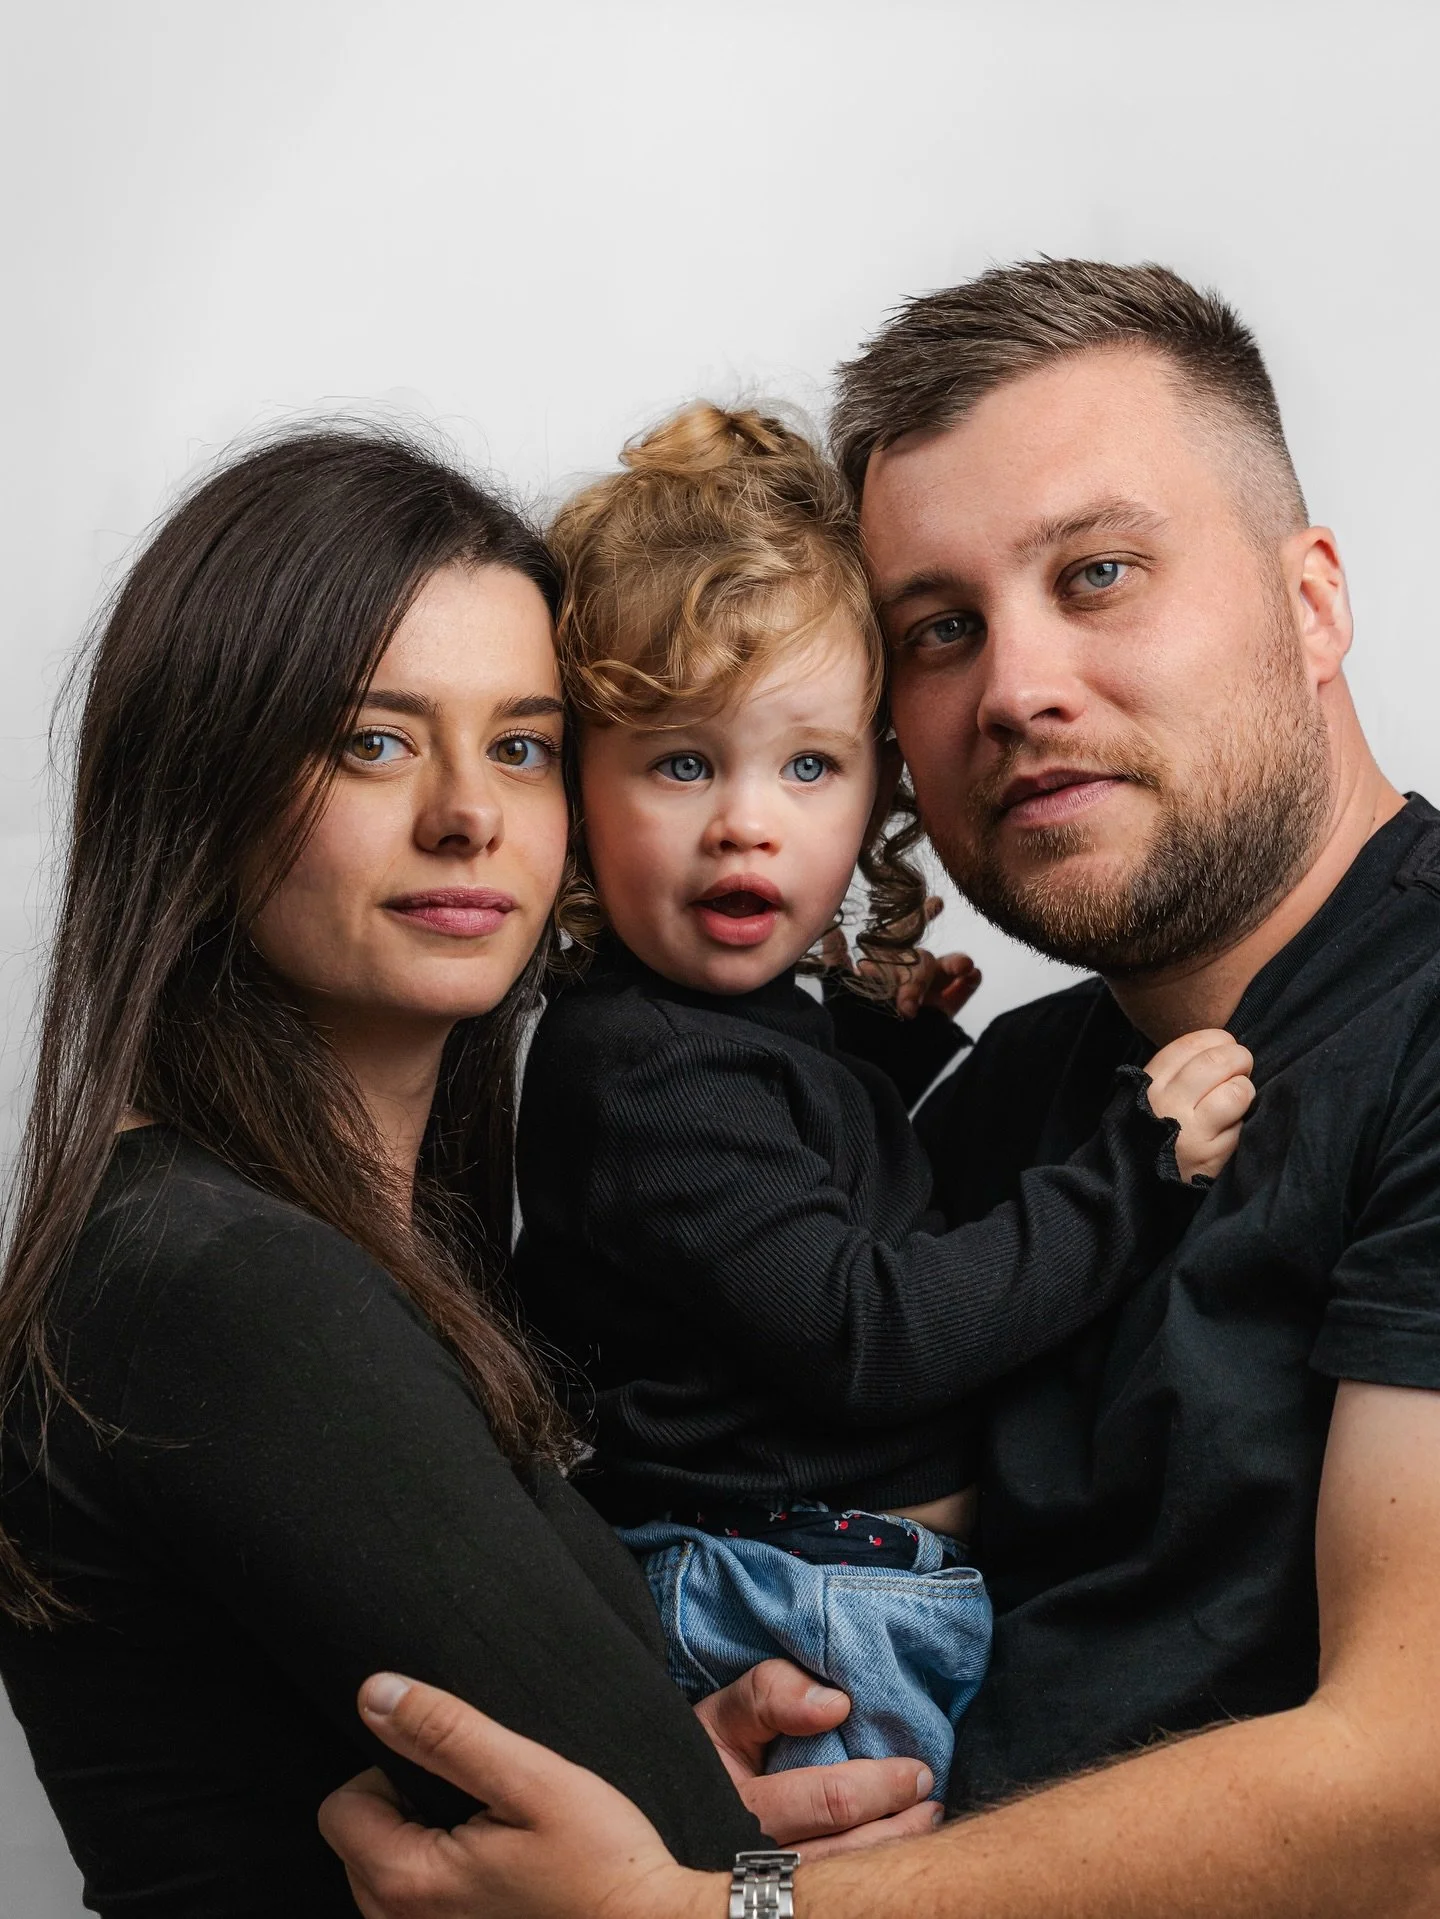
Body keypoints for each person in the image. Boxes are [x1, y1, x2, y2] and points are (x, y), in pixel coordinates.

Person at [318, 260, 1440, 1916]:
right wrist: (686, 1764)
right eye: (941, 629)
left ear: (1315, 598)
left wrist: (712, 1911)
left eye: (1101, 572)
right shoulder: (1008, 1091)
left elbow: (1410, 1790)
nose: (1016, 686)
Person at [0, 428, 940, 1919]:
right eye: (374, 739)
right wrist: (751, 1890)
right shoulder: (219, 1277)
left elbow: (645, 1841)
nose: (468, 812)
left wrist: (670, 1788)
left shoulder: (364, 1251)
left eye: (521, 744)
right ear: (204, 782)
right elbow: (695, 1889)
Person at [514, 399, 1253, 1795]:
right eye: (683, 763)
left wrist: (877, 1058)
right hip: (790, 1609)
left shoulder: (714, 1028)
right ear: (577, 784)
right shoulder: (648, 1064)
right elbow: (869, 1332)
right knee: (827, 1892)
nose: (748, 818)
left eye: (808, 764)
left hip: (831, 1590)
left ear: (874, 790)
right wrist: (1135, 1165)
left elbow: (769, 1191)